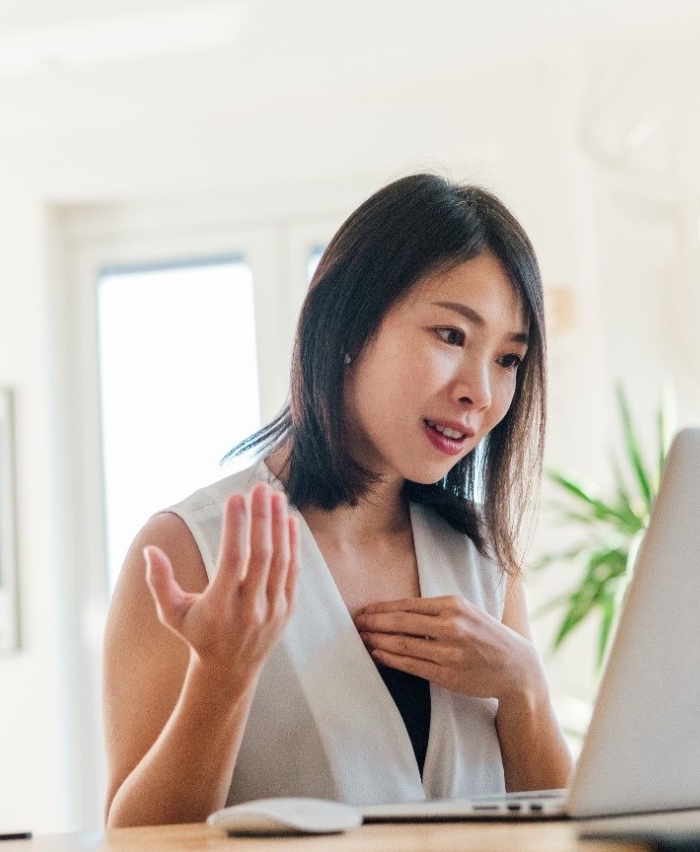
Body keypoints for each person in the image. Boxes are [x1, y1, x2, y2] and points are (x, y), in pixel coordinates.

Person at [101, 173, 572, 828]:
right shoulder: (188, 549)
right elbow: (135, 843)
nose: (481, 393)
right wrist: (223, 676)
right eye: (452, 337)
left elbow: (567, 831)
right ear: (349, 322)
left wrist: (524, 688)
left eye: (509, 360)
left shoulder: (481, 562)